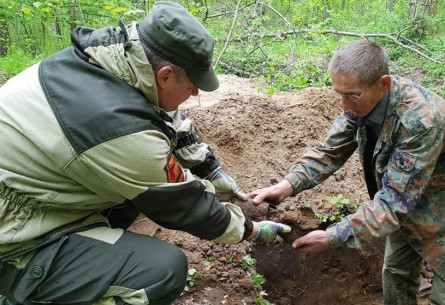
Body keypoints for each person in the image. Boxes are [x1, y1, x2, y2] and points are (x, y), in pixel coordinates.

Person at [0, 2, 290, 305]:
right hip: (14, 234)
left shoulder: (110, 58)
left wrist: (211, 170)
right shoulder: (116, 128)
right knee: (164, 271)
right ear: (165, 76)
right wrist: (252, 230)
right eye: (192, 84)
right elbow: (186, 206)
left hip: (32, 189)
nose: (195, 93)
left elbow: (168, 118)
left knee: (130, 200)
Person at [250, 40, 445, 304]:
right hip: (410, 200)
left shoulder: (421, 121)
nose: (344, 105)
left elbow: (394, 202)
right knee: (396, 274)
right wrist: (286, 185)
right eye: (340, 94)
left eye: (351, 95)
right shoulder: (359, 102)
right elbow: (329, 152)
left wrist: (334, 235)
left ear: (384, 83)